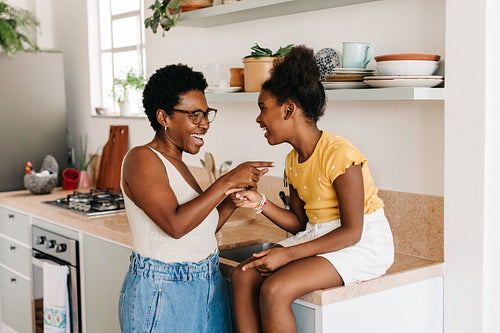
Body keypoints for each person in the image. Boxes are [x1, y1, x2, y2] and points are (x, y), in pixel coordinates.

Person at [228, 45, 394, 333]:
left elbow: (352, 232)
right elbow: (300, 223)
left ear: (289, 109)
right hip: (321, 235)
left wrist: (288, 254)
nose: (258, 119)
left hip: (363, 243)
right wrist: (259, 202)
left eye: (262, 109)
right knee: (244, 274)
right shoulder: (292, 161)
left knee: (276, 289)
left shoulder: (340, 154)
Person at [118, 64, 274, 333]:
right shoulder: (141, 159)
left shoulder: (178, 163)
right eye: (195, 115)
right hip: (163, 291)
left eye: (206, 114)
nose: (204, 124)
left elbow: (199, 229)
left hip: (207, 285)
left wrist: (231, 197)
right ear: (163, 117)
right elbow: (175, 225)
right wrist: (226, 181)